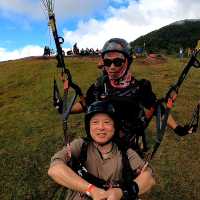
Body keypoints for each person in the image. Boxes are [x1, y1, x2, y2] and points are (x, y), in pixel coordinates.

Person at [71, 38, 192, 154]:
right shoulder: (99, 85)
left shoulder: (139, 88)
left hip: (129, 148)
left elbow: (158, 109)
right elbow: (86, 104)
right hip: (100, 145)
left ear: (127, 62)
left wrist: (177, 128)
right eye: (107, 62)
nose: (112, 67)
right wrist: (65, 109)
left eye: (117, 62)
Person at [48, 101, 155, 200]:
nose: (101, 127)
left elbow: (148, 178)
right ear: (88, 127)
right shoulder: (80, 146)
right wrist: (91, 190)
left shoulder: (125, 152)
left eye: (107, 122)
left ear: (115, 126)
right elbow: (55, 169)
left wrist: (121, 192)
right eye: (95, 122)